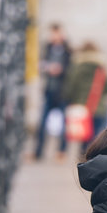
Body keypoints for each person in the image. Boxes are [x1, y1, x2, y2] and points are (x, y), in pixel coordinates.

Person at [62, 41, 107, 151]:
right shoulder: (101, 67)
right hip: (99, 107)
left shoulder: (77, 66)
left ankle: (83, 157)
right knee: (97, 136)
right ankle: (93, 157)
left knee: (85, 136)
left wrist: (71, 99)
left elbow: (71, 86)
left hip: (81, 107)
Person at [33, 23, 71, 160]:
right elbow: (41, 64)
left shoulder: (68, 50)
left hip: (62, 92)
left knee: (64, 125)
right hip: (49, 90)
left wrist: (61, 70)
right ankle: (38, 152)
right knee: (42, 123)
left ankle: (61, 151)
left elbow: (70, 69)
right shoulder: (47, 48)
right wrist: (46, 67)